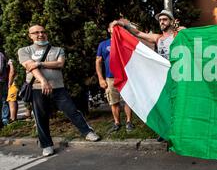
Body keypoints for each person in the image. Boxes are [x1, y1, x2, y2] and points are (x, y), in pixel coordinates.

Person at [18, 25, 100, 156]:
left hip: (58, 87)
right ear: (30, 35)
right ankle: (47, 145)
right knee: (41, 117)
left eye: (43, 32)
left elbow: (60, 64)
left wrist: (39, 63)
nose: (41, 34)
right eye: (36, 32)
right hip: (37, 88)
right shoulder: (24, 50)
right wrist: (44, 81)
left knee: (71, 110)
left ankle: (88, 132)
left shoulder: (58, 50)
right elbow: (29, 67)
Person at [113, 10, 185, 142]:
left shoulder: (178, 35)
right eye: (160, 20)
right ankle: (164, 131)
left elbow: (193, 40)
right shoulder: (158, 38)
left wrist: (185, 31)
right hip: (163, 78)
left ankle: (180, 131)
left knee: (179, 104)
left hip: (178, 77)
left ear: (171, 21)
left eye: (165, 19)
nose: (162, 22)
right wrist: (123, 25)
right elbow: (138, 33)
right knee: (165, 103)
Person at [96, 22, 134, 132]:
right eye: (113, 26)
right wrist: (100, 78)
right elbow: (98, 62)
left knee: (128, 100)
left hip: (125, 77)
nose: (115, 28)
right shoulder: (103, 44)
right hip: (110, 78)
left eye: (118, 26)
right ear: (109, 30)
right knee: (113, 101)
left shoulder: (126, 42)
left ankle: (129, 122)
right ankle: (117, 123)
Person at [0, 51, 10, 127]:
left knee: (4, 100)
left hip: (1, 81)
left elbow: (0, 69)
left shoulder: (0, 55)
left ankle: (4, 119)